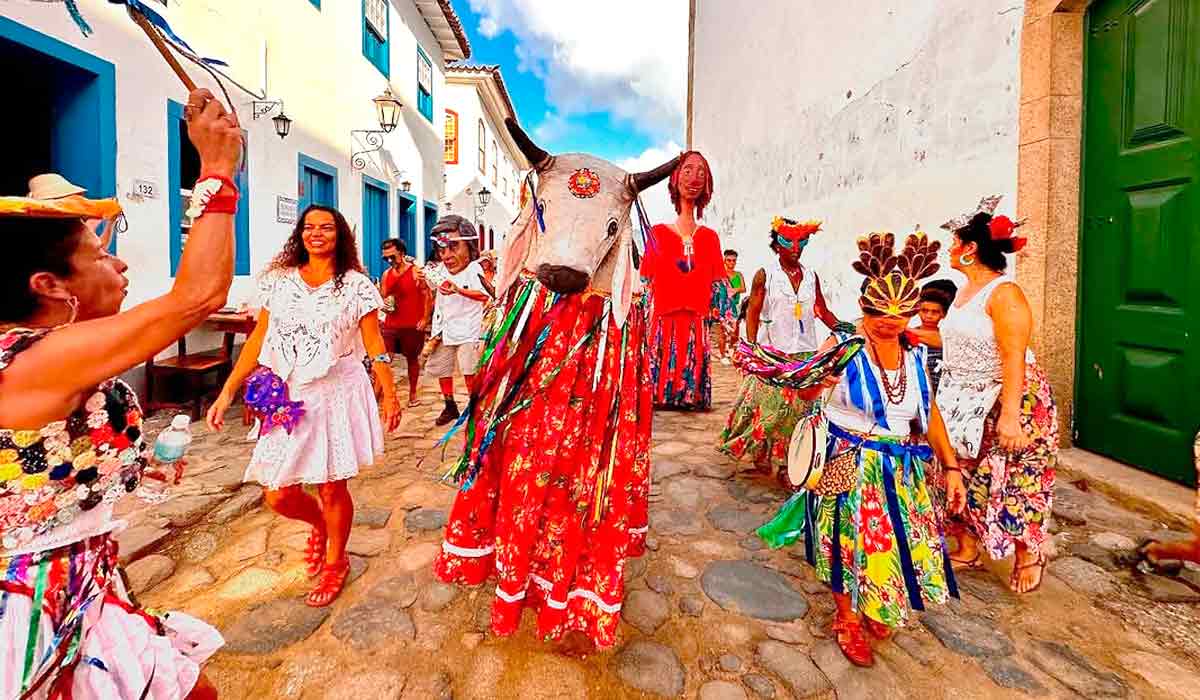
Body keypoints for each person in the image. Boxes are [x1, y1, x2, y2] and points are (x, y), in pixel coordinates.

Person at [0, 88, 239, 699]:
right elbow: (198, 298)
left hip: (83, 582)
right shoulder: (27, 362)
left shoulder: (48, 352)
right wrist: (215, 171)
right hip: (34, 611)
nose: (121, 266)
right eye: (100, 255)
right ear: (50, 285)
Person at [757, 231, 965, 668]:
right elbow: (804, 394)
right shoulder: (844, 345)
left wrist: (951, 466)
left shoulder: (913, 355)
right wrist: (820, 382)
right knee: (845, 545)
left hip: (901, 471)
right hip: (849, 464)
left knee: (894, 543)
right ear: (864, 306)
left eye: (899, 314)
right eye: (878, 313)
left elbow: (929, 412)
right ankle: (847, 618)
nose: (889, 322)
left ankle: (877, 601)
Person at [206, 205, 401, 608]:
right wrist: (228, 390)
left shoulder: (356, 285)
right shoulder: (279, 282)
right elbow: (259, 339)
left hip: (336, 394)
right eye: (309, 227)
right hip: (289, 396)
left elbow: (375, 343)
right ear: (300, 234)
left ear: (339, 235)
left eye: (326, 228)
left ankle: (336, 562)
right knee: (278, 493)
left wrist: (391, 393)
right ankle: (320, 526)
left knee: (331, 486)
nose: (317, 234)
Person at [934, 197, 1058, 594]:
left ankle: (1028, 553)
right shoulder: (966, 290)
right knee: (964, 471)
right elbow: (959, 340)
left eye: (954, 242)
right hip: (964, 398)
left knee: (1018, 478)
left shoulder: (1006, 294)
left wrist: (1010, 416)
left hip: (1009, 396)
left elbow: (1012, 355)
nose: (949, 248)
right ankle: (968, 545)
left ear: (970, 249)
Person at [720, 218, 850, 480]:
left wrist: (845, 327)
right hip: (773, 352)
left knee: (797, 411)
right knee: (768, 409)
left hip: (805, 354)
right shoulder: (765, 275)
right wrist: (753, 347)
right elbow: (754, 310)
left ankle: (788, 461)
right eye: (787, 242)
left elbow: (821, 310)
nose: (795, 248)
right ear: (776, 244)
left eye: (801, 242)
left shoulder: (811, 275)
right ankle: (761, 452)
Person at [642, 151, 723, 411]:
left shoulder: (710, 238)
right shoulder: (657, 234)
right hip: (663, 320)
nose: (694, 178)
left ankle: (690, 392)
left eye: (701, 172)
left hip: (696, 321)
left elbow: (720, 285)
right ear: (676, 178)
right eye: (688, 170)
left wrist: (727, 329)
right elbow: (644, 283)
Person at [426, 216, 489, 426]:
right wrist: (421, 276)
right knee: (442, 368)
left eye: (453, 248)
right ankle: (449, 405)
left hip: (468, 329)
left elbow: (484, 295)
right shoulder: (441, 270)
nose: (447, 256)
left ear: (469, 247)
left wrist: (458, 290)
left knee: (469, 370)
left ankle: (475, 407)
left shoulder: (474, 270)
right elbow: (431, 284)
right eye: (442, 250)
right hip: (443, 328)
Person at [379, 238, 430, 407]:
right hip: (391, 324)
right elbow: (384, 296)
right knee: (384, 358)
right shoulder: (386, 275)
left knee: (412, 359)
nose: (389, 261)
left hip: (412, 324)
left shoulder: (416, 271)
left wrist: (425, 318)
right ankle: (380, 394)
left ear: (402, 253)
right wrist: (385, 305)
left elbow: (427, 295)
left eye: (392, 257)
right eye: (386, 258)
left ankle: (413, 394)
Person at [907, 279, 958, 394]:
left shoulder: (949, 337)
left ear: (944, 314)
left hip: (944, 391)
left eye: (935, 312)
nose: (929, 316)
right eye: (924, 311)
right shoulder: (908, 334)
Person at [724, 249, 747, 348]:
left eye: (734, 260)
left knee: (735, 330)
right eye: (729, 260)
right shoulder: (722, 274)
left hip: (736, 305)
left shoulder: (739, 275)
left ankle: (732, 350)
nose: (732, 263)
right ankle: (724, 353)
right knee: (723, 331)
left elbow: (744, 289)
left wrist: (735, 290)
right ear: (724, 260)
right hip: (724, 307)